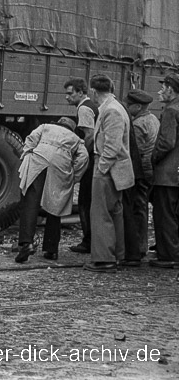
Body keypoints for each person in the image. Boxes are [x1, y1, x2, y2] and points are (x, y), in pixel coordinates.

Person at [15, 117, 89, 263]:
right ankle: (51, 249)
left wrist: (28, 154)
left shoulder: (45, 127)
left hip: (38, 160)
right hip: (60, 166)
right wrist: (74, 177)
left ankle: (26, 244)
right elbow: (84, 157)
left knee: (30, 201)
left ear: (58, 123)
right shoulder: (75, 138)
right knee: (55, 206)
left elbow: (31, 138)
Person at [84, 74, 134, 273]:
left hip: (107, 169)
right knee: (114, 213)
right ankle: (115, 255)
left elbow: (112, 147)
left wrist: (101, 168)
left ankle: (105, 259)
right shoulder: (115, 107)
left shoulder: (111, 111)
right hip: (114, 170)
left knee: (101, 214)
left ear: (94, 92)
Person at [120, 89, 160, 266]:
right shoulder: (153, 119)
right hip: (152, 169)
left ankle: (138, 246)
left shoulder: (137, 124)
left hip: (141, 170)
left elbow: (134, 151)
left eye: (129, 106)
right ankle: (142, 244)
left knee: (137, 207)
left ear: (137, 106)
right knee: (143, 206)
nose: (127, 108)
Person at [64, 78, 98, 254]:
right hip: (93, 159)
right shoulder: (89, 105)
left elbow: (89, 136)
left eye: (70, 93)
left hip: (90, 160)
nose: (67, 97)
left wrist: (82, 158)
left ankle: (88, 241)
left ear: (80, 92)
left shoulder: (84, 108)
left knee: (85, 201)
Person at [150, 72, 179, 268]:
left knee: (164, 215)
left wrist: (153, 158)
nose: (160, 91)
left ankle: (168, 255)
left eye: (163, 87)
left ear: (171, 89)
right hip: (176, 172)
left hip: (167, 174)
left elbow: (167, 142)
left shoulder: (171, 111)